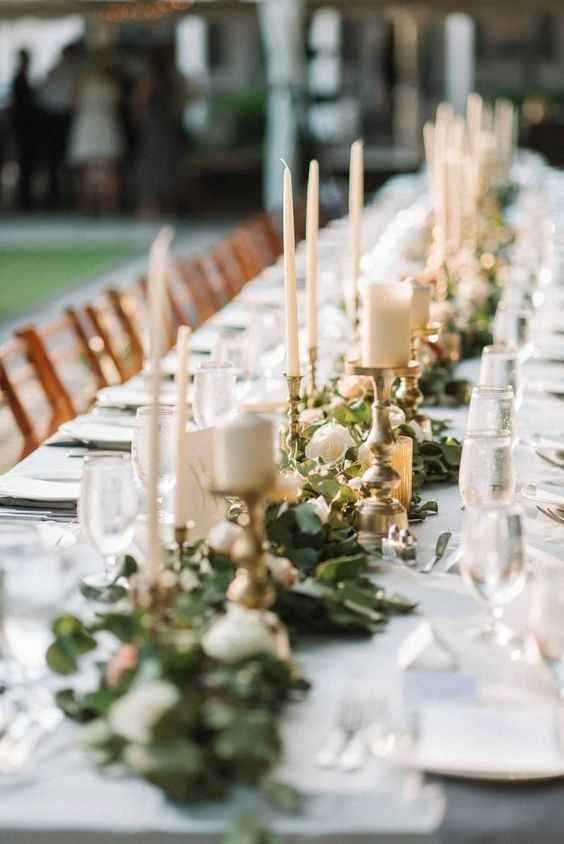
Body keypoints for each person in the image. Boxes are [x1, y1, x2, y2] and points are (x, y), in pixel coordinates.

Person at [132, 49, 186, 218]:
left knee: (152, 164)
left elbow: (139, 103)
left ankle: (151, 206)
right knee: (166, 165)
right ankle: (166, 204)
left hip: (155, 127)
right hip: (166, 126)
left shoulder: (150, 81)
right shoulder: (173, 79)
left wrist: (138, 119)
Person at [67, 55, 123, 214]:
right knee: (107, 169)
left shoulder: (82, 83)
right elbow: (118, 103)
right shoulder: (111, 84)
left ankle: (88, 206)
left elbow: (73, 104)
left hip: (89, 126)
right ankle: (109, 206)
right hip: (104, 125)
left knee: (88, 170)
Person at [38, 42, 82, 209]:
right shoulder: (70, 71)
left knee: (58, 161)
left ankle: (60, 194)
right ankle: (58, 195)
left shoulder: (57, 70)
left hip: (57, 119)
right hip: (60, 119)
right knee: (61, 160)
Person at [10, 48, 39, 211]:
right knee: (25, 162)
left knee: (26, 163)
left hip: (24, 127)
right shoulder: (20, 79)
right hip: (23, 128)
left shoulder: (22, 78)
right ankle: (24, 198)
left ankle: (25, 197)